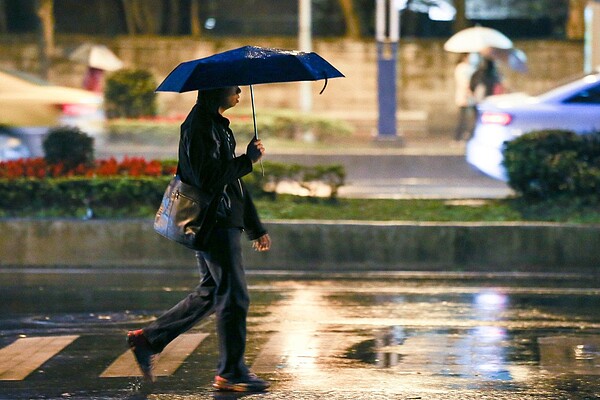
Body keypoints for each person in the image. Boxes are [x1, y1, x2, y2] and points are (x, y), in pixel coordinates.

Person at [126, 86, 272, 392]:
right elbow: (209, 178)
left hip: (222, 220)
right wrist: (248, 160)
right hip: (213, 224)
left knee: (211, 293)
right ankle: (230, 373)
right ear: (216, 90)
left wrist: (254, 225)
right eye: (233, 86)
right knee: (234, 296)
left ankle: (148, 339)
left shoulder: (216, 125)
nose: (239, 91)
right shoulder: (199, 127)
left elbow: (231, 182)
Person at [453, 53, 476, 142]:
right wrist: (469, 92)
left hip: (471, 97)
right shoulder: (461, 68)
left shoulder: (470, 67)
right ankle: (458, 137)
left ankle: (469, 135)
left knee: (472, 117)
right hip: (465, 96)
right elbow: (463, 82)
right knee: (463, 119)